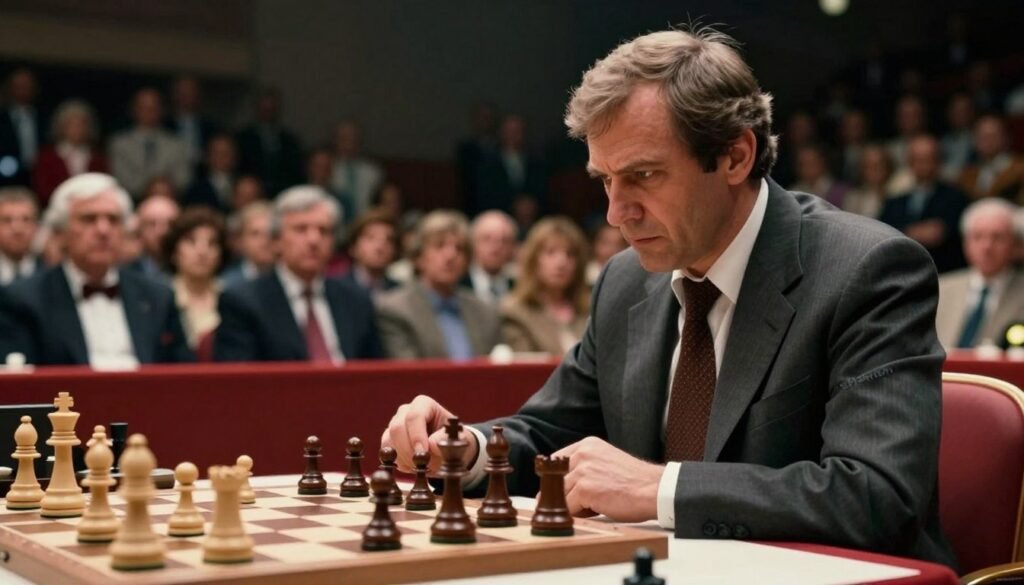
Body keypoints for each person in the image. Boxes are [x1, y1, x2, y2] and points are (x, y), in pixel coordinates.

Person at [381, 29, 954, 567]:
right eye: (605, 179)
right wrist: (467, 447)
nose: (615, 212)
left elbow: (877, 496)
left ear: (735, 157)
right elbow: (553, 434)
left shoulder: (867, 270)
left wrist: (659, 487)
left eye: (645, 175)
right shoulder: (626, 280)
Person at [3, 173, 192, 367]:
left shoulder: (157, 296)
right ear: (62, 233)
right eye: (89, 219)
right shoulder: (25, 300)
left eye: (113, 219)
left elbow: (185, 377)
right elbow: (22, 388)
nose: (103, 230)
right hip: (67, 397)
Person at [213, 186, 382, 362]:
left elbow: (378, 376)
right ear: (277, 240)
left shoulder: (356, 300)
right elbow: (239, 383)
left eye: (323, 231)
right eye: (301, 229)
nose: (314, 240)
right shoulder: (243, 302)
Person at [375, 210, 501, 360]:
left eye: (459, 248)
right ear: (419, 257)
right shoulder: (395, 309)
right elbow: (409, 374)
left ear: (467, 261)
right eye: (439, 246)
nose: (450, 255)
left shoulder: (484, 311)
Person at [936, 199, 1024, 349]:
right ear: (966, 243)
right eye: (978, 236)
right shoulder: (940, 288)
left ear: (1014, 244)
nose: (987, 246)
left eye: (997, 237)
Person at [500, 217, 589, 356]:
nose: (562, 262)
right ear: (533, 260)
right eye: (550, 252)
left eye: (570, 254)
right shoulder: (515, 312)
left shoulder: (590, 310)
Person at [880, 135, 968, 273]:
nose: (924, 165)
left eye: (929, 159)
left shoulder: (955, 197)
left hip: (943, 272)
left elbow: (942, 233)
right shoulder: (895, 201)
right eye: (918, 160)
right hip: (902, 274)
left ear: (939, 161)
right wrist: (913, 232)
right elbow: (883, 234)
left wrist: (905, 233)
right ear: (909, 163)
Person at [161, 207, 228, 350]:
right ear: (174, 251)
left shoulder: (234, 299)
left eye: (212, 243)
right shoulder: (158, 299)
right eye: (191, 241)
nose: (202, 251)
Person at [108, 88, 191, 199]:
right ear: (134, 110)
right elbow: (121, 179)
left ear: (162, 110)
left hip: (169, 202)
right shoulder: (119, 143)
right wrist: (150, 188)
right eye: (143, 107)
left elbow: (183, 179)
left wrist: (161, 189)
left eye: (153, 107)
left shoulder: (177, 144)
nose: (148, 111)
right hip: (132, 201)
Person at [32, 100, 108, 205]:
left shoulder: (97, 157)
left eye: (81, 124)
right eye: (71, 124)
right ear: (61, 127)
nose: (76, 129)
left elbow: (104, 186)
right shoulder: (47, 157)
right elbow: (43, 189)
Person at [957, 115, 1024, 201]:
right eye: (982, 136)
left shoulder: (1020, 168)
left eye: (993, 136)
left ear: (1005, 138)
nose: (987, 141)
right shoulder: (967, 175)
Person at [0, 68, 45, 188]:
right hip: (5, 177)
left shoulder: (44, 118)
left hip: (38, 177)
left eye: (26, 86)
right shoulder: (2, 118)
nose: (22, 90)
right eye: (18, 86)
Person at [462, 210, 517, 305]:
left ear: (512, 248)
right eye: (487, 239)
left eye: (504, 240)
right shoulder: (459, 286)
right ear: (473, 243)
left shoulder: (520, 288)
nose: (496, 247)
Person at [342, 210, 400, 296]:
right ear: (353, 247)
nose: (380, 246)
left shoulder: (399, 291)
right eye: (371, 238)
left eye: (388, 240)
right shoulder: (338, 289)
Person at [221, 201, 274, 288]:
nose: (265, 240)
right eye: (255, 234)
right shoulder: (226, 284)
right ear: (241, 241)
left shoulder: (292, 280)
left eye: (270, 233)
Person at [129, 193, 180, 281]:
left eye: (170, 224)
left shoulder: (189, 271)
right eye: (152, 224)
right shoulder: (126, 271)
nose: (162, 231)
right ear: (139, 230)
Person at [181, 134, 238, 214]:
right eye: (216, 152)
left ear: (234, 156)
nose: (221, 157)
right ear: (207, 156)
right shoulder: (195, 189)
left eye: (225, 153)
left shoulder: (244, 185)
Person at [0, 187, 41, 285]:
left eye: (26, 219)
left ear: (37, 226)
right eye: (7, 220)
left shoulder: (54, 276)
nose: (18, 229)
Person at [842, 144, 893, 219]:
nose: (872, 171)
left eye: (877, 166)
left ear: (888, 167)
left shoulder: (898, 194)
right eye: (867, 167)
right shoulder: (852, 199)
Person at [585, 221, 627, 286]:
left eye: (619, 244)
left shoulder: (633, 277)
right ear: (593, 245)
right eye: (606, 243)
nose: (612, 250)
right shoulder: (582, 277)